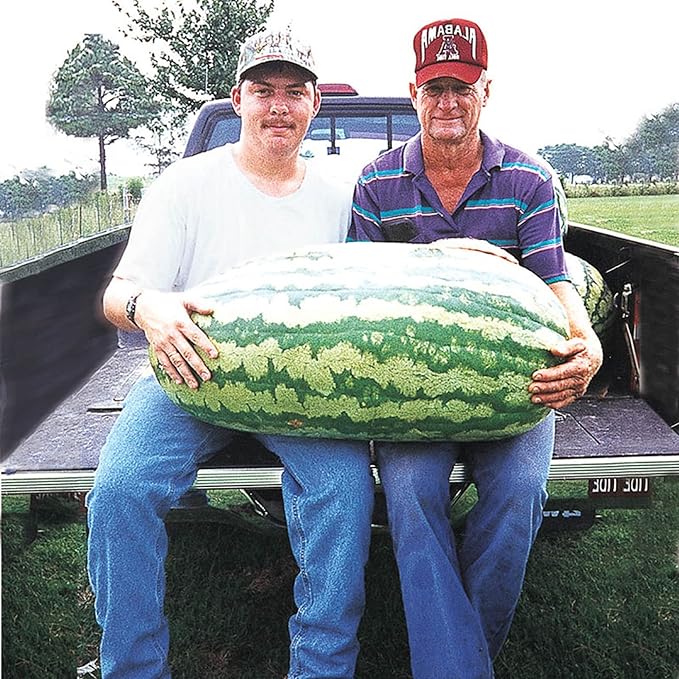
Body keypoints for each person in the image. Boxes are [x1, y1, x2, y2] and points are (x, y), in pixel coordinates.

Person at [86, 26, 375, 679]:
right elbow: (118, 292)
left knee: (344, 492)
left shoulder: (338, 198)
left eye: (293, 92)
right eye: (263, 90)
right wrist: (148, 308)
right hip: (189, 373)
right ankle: (131, 666)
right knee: (118, 492)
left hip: (299, 388)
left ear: (313, 105)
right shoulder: (185, 186)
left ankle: (322, 666)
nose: (278, 105)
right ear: (237, 98)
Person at [349, 17, 603, 679]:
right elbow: (359, 292)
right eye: (435, 87)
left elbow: (553, 277)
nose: (447, 102)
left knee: (519, 490)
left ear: (484, 90)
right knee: (408, 493)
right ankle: (457, 667)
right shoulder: (376, 184)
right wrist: (441, 255)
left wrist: (588, 341)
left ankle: (462, 660)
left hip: (517, 383)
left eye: (461, 87)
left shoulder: (528, 179)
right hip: (411, 387)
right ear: (413, 92)